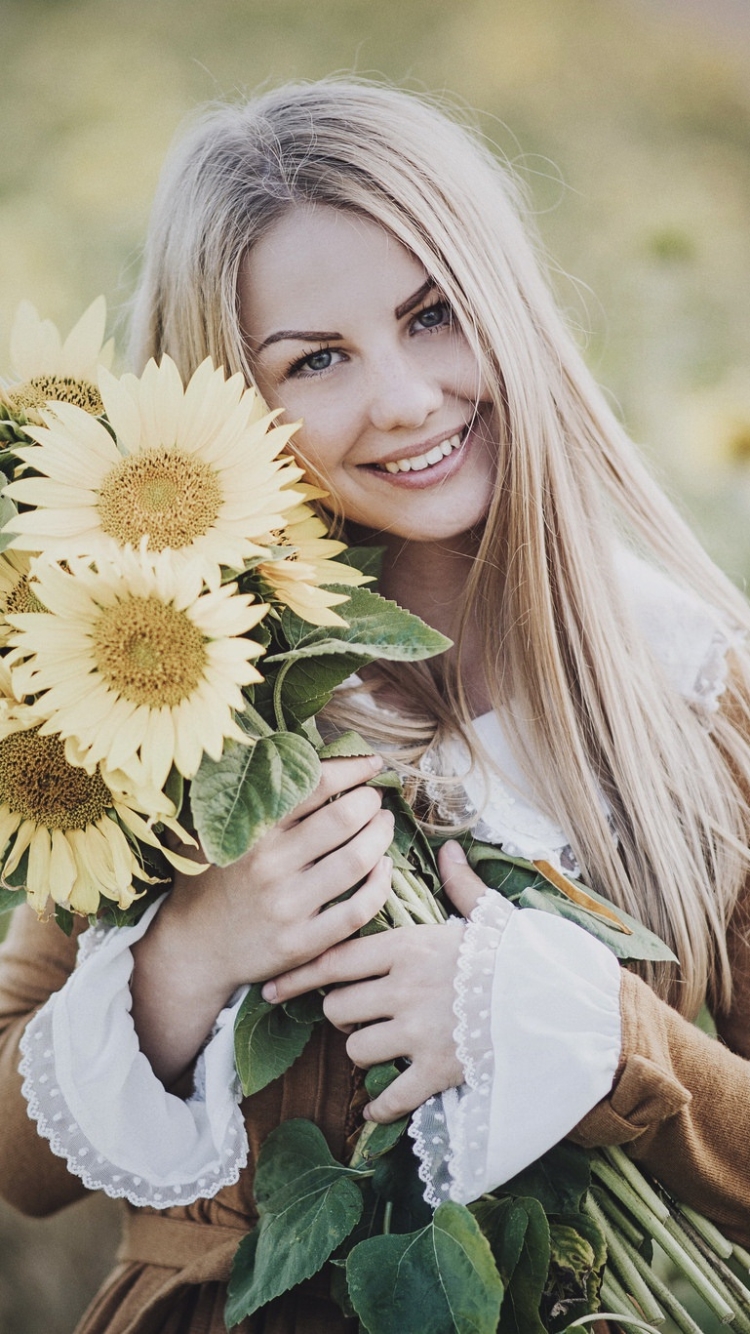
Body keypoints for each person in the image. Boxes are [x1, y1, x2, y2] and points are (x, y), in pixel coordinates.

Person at [2, 78, 750, 1334]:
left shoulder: (691, 689)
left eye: (434, 314)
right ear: (233, 402)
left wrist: (604, 1041)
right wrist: (189, 955)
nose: (403, 398)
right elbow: (17, 1173)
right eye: (319, 359)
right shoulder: (183, 705)